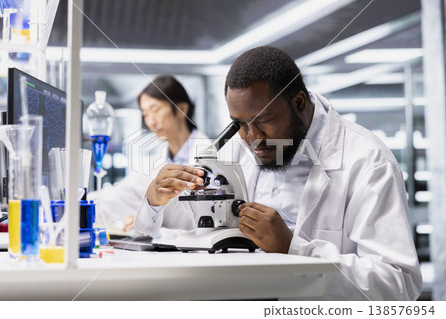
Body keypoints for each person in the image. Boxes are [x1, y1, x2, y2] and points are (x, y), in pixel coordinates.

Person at [135, 46, 422, 300]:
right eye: (240, 124)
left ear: (298, 103)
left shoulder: (367, 160)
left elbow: (399, 283)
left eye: (263, 122)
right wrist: (156, 199)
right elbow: (182, 226)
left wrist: (293, 248)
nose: (251, 138)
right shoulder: (238, 148)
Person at [88, 75, 208, 233]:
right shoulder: (154, 161)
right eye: (145, 114)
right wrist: (80, 203)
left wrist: (150, 221)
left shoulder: (211, 154)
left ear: (181, 109)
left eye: (155, 110)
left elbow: (203, 217)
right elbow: (121, 195)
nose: (151, 122)